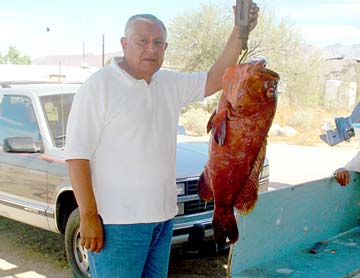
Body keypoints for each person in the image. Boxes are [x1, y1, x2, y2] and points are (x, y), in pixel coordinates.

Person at [64, 4, 259, 277]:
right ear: (124, 43)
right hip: (117, 225)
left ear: (165, 47)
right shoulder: (99, 86)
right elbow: (76, 156)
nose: (151, 49)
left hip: (163, 219)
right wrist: (87, 217)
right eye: (142, 41)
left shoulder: (169, 83)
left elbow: (216, 78)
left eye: (158, 43)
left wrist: (240, 32)